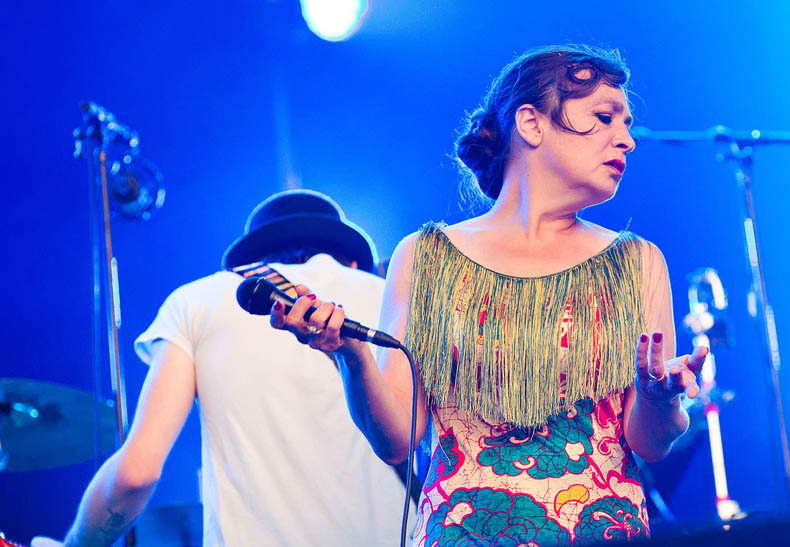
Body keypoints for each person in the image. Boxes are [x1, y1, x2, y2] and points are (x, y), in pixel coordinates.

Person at [272, 46, 709, 545]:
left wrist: (661, 401)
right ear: (531, 122)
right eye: (604, 117)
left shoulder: (637, 262)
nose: (627, 139)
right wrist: (351, 355)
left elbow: (649, 443)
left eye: (626, 123)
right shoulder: (426, 256)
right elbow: (397, 438)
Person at [32, 190, 407, 547]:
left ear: (254, 258)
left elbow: (137, 472)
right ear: (352, 260)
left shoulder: (198, 300)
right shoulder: (393, 297)